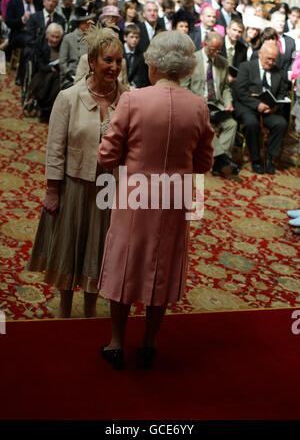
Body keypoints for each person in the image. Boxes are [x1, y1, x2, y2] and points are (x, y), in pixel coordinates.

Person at [97, 30, 214, 370]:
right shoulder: (199, 106)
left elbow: (107, 155)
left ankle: (117, 342)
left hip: (135, 192)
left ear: (154, 66)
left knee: (124, 263)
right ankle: (149, 342)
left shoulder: (134, 100)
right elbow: (205, 163)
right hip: (177, 196)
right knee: (163, 265)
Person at [27, 26, 127, 318]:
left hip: (110, 189)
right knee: (70, 248)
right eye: (108, 60)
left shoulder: (129, 99)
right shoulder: (69, 97)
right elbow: (54, 148)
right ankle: (66, 307)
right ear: (93, 61)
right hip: (74, 185)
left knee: (99, 250)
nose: (114, 67)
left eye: (119, 61)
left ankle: (91, 309)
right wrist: (52, 190)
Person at [181, 31, 239, 176]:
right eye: (212, 50)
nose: (215, 53)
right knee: (205, 124)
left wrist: (228, 103)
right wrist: (196, 103)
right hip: (196, 106)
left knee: (232, 124)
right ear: (204, 44)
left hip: (216, 105)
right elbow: (184, 88)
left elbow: (225, 88)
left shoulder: (223, 62)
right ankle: (223, 159)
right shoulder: (192, 60)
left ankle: (220, 162)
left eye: (218, 50)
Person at [233, 42, 288, 174]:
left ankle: (269, 158)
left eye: (274, 60)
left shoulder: (279, 72)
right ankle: (256, 159)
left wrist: (275, 107)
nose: (270, 62)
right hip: (248, 106)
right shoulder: (246, 66)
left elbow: (281, 94)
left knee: (281, 124)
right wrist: (257, 105)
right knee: (252, 124)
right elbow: (240, 91)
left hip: (269, 109)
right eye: (268, 58)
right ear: (260, 54)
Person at [29, 22, 63, 121]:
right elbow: (38, 64)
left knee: (55, 81)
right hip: (42, 72)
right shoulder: (40, 42)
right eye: (52, 36)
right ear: (47, 35)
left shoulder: (63, 44)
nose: (55, 40)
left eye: (58, 37)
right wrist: (49, 68)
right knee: (48, 78)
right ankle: (45, 108)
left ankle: (47, 109)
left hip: (57, 72)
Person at [59, 7, 95, 90]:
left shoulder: (92, 39)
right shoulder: (68, 38)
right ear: (80, 23)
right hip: (70, 77)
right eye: (86, 22)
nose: (89, 24)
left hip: (88, 76)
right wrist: (70, 75)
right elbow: (63, 62)